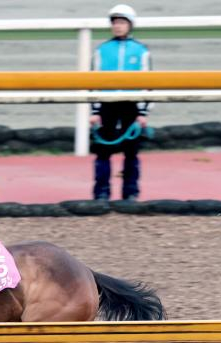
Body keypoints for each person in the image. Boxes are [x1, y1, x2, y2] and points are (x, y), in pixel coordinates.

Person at [90, 4, 151, 201]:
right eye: (115, 22)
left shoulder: (141, 51)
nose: (118, 26)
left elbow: (148, 83)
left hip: (131, 104)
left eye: (122, 22)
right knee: (102, 151)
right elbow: (93, 81)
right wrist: (95, 110)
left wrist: (143, 113)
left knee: (131, 152)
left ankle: (131, 192)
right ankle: (101, 192)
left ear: (130, 25)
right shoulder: (102, 50)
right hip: (107, 104)